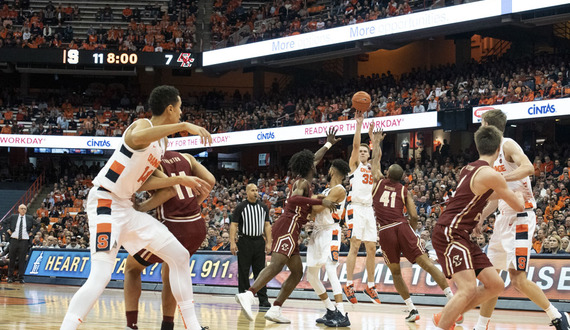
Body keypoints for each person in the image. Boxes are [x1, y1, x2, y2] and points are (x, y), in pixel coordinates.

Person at [60, 85, 213, 330]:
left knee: (180, 256)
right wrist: (184, 127)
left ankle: (192, 326)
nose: (182, 113)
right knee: (100, 276)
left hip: (126, 208)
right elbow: (135, 140)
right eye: (180, 108)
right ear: (171, 109)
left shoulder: (161, 143)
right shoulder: (143, 126)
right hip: (105, 202)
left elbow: (145, 180)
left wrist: (179, 180)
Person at [476, 109, 569, 330]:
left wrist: (499, 178)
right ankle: (480, 327)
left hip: (521, 217)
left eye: (481, 123)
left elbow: (528, 168)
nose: (480, 127)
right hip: (503, 218)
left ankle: (557, 316)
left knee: (517, 279)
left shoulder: (507, 144)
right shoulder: (489, 155)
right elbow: (497, 195)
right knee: (492, 280)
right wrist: (481, 218)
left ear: (488, 124)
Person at [235, 128, 340, 324]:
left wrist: (327, 144)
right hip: (288, 226)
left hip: (291, 227)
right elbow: (294, 200)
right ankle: (249, 294)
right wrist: (320, 202)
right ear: (310, 167)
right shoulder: (302, 184)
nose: (317, 164)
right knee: (275, 265)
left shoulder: (304, 179)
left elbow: (314, 158)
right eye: (314, 164)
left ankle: (275, 309)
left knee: (297, 272)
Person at [431, 125, 525, 330]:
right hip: (450, 233)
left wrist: (476, 218)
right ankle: (443, 324)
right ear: (500, 149)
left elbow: (477, 196)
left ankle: (446, 315)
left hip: (459, 232)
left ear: (477, 146)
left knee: (495, 285)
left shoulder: (469, 168)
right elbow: (518, 205)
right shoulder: (492, 175)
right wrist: (518, 195)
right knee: (468, 288)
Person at [368, 126, 457, 323]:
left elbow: (375, 161)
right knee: (425, 263)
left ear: (388, 173)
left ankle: (411, 308)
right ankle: (452, 301)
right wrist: (412, 229)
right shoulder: (404, 190)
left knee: (396, 272)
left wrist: (376, 141)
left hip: (385, 231)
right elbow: (415, 215)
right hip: (401, 226)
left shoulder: (378, 182)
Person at [124, 150, 215, 330]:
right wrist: (194, 204)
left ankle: (131, 325)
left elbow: (168, 192)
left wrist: (141, 208)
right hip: (197, 226)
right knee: (172, 272)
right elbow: (210, 181)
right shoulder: (186, 157)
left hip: (174, 227)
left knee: (132, 268)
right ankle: (168, 325)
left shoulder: (151, 161)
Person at [306, 159, 351, 327]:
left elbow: (315, 208)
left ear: (332, 170)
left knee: (330, 269)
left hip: (330, 231)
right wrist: (317, 199)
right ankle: (330, 309)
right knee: (311, 275)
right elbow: (313, 211)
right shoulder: (326, 190)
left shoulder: (339, 190)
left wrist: (314, 200)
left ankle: (341, 312)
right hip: (317, 231)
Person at [343, 112, 381, 305]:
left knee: (372, 248)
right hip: (356, 208)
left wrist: (375, 140)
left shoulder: (372, 169)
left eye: (367, 151)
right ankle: (349, 284)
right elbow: (357, 145)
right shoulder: (355, 166)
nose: (363, 153)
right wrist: (359, 125)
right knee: (355, 245)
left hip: (369, 209)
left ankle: (370, 285)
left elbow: (378, 157)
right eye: (362, 151)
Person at [230, 183, 272, 311]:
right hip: (244, 241)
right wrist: (232, 242)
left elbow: (267, 225)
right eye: (252, 190)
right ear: (247, 192)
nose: (255, 192)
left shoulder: (263, 207)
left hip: (259, 241)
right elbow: (233, 225)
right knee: (243, 271)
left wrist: (269, 242)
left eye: (256, 190)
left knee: (260, 271)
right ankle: (244, 298)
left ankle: (263, 299)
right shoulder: (240, 207)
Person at [3, 204, 38, 283]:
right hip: (14, 240)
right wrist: (8, 230)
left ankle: (21, 277)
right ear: (18, 210)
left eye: (25, 209)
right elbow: (4, 222)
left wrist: (32, 232)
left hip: (24, 241)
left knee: (22, 260)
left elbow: (38, 225)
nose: (23, 210)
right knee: (12, 259)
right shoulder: (13, 217)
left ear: (26, 210)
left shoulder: (29, 218)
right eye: (21, 208)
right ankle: (10, 277)